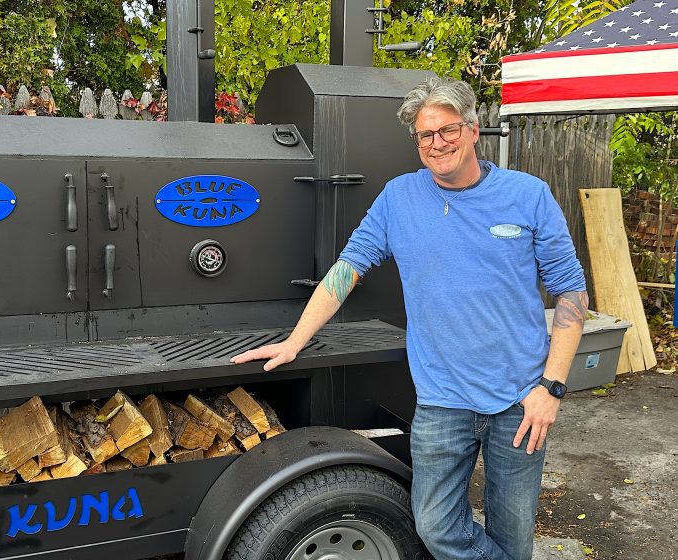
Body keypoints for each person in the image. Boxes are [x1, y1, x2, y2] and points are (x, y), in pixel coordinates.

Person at [230, 76, 588, 560]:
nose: (437, 144)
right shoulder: (399, 198)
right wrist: (296, 341)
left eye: (448, 131)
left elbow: (571, 291)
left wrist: (552, 387)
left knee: (513, 532)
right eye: (425, 134)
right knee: (436, 526)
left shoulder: (528, 195)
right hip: (443, 400)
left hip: (521, 402)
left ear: (474, 130)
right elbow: (348, 268)